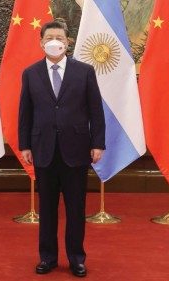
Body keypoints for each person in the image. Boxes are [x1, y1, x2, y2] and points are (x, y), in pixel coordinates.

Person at [18, 20, 105, 278]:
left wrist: (97, 143)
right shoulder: (31, 73)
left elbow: (96, 111)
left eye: (59, 37)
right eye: (49, 38)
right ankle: (48, 258)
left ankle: (76, 258)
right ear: (41, 42)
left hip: (76, 150)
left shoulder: (85, 71)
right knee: (47, 209)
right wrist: (24, 145)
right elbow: (26, 113)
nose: (54, 41)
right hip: (43, 149)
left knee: (76, 209)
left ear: (68, 41)